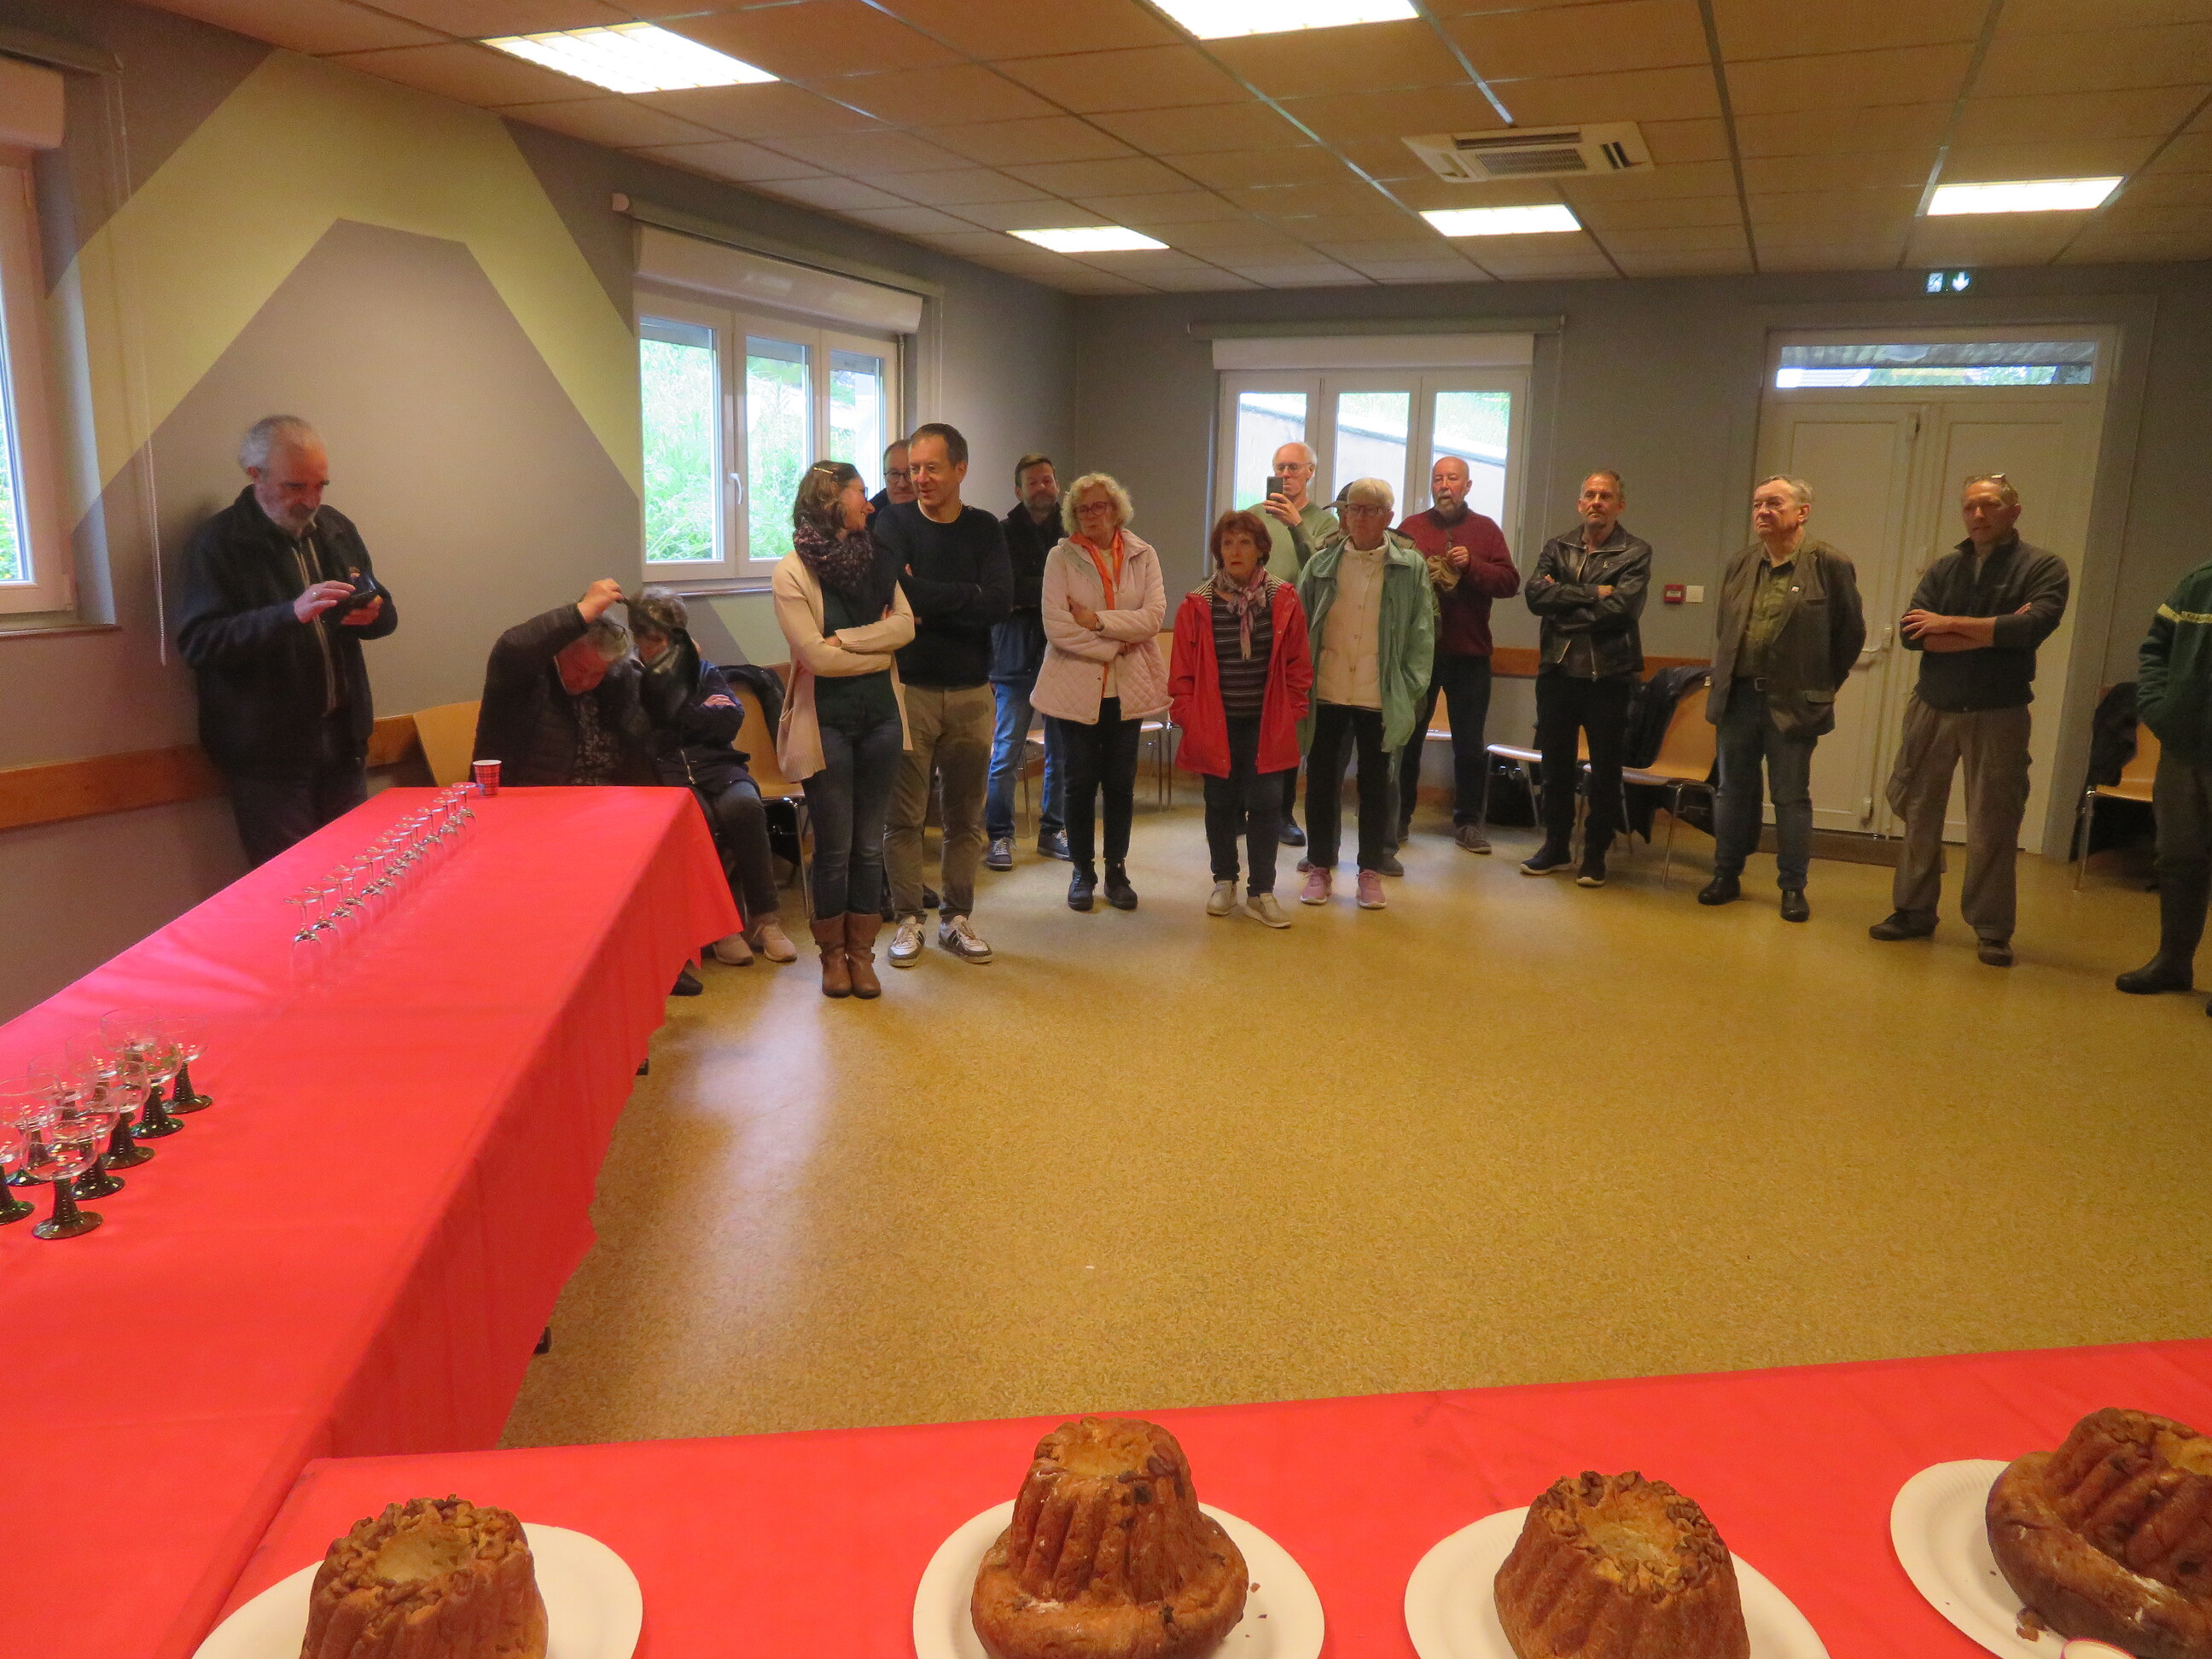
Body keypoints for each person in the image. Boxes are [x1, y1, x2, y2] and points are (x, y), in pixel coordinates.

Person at [178, 416, 399, 866]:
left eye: (321, 486)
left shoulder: (336, 528)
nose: (311, 501)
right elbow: (200, 643)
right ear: (254, 475)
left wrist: (375, 614)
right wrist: (289, 614)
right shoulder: (219, 542)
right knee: (293, 889)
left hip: (344, 741)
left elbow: (383, 612)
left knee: (361, 877)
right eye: (296, 487)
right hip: (268, 756)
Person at [1871, 474, 2070, 966]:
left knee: (1993, 822)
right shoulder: (1945, 569)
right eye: (1969, 507)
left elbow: (2032, 628)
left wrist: (1948, 624)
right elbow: (1912, 636)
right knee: (1918, 811)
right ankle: (1913, 911)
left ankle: (1992, 929)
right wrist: (1994, 631)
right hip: (1933, 706)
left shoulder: (2042, 567)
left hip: (1999, 711)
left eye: (1989, 505)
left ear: (2013, 511)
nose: (1978, 515)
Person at [873, 422, 1013, 968]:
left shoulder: (984, 528)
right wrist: (966, 595)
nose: (920, 478)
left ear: (960, 469)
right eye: (913, 469)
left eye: (931, 468)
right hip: (911, 689)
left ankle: (957, 919)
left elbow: (999, 602)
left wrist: (930, 602)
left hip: (974, 691)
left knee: (964, 820)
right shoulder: (894, 521)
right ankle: (909, 921)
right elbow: (896, 592)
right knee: (904, 819)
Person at [773, 461, 915, 998]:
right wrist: (872, 651)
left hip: (881, 719)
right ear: (831, 497)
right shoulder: (791, 571)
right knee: (834, 848)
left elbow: (904, 627)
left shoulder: (878, 557)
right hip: (825, 724)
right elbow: (815, 659)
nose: (870, 505)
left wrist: (847, 642)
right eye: (860, 493)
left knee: (869, 846)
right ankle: (832, 956)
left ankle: (862, 954)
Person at [1697, 477, 1866, 923]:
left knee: (1791, 797)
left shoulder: (1829, 564)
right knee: (1732, 792)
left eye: (1774, 503)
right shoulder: (1741, 563)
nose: (1762, 511)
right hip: (1737, 699)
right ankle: (1725, 875)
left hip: (1792, 703)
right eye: (1757, 504)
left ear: (1802, 512)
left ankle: (1793, 886)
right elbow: (1726, 628)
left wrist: (1820, 685)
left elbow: (1850, 634)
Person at [630, 586, 797, 969]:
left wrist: (683, 717)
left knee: (746, 806)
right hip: (666, 771)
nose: (665, 648)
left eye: (672, 640)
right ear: (639, 639)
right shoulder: (631, 676)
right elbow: (648, 732)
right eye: (655, 640)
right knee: (698, 819)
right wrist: (697, 712)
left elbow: (729, 719)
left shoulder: (701, 670)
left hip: (719, 765)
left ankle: (764, 920)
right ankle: (719, 926)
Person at [1294, 478, 1435, 911]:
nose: (1358, 517)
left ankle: (1370, 871)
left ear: (1388, 517)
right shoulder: (1321, 564)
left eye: (1370, 510)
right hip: (1328, 690)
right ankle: (1320, 867)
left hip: (1380, 693)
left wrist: (1409, 689)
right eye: (1352, 509)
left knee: (1377, 786)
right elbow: (1299, 624)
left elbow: (1422, 635)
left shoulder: (1410, 567)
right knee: (1321, 782)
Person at [1170, 509, 1313, 928]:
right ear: (1218, 551)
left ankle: (1261, 891)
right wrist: (1190, 717)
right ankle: (1224, 881)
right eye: (1227, 543)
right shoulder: (1198, 603)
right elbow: (1182, 673)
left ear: (1261, 549)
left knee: (1267, 804)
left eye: (1245, 543)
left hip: (1267, 723)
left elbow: (1299, 667)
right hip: (1216, 723)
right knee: (1220, 803)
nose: (1235, 551)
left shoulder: (1284, 598)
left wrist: (1291, 711)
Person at [1033, 474, 1168, 912]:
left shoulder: (1143, 554)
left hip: (1128, 690)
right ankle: (1082, 872)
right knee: (1078, 784)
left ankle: (1116, 871)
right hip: (1075, 689)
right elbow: (1057, 627)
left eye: (1100, 506)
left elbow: (1153, 618)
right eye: (1083, 508)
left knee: (1120, 784)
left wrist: (1095, 621)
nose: (1092, 514)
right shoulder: (1060, 557)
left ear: (1116, 510)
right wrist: (1115, 641)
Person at [1522, 471, 1651, 888]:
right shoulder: (1557, 546)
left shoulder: (1635, 551)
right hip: (1557, 672)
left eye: (1605, 496)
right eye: (1590, 495)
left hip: (1609, 676)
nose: (1597, 502)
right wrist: (1595, 593)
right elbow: (1535, 596)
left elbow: (1622, 610)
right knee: (1555, 767)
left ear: (1619, 506)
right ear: (1580, 503)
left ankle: (1595, 855)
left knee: (1606, 770)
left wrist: (1563, 605)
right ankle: (1556, 847)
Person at [1394, 454, 1520, 856]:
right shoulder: (1411, 528)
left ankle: (1467, 823)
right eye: (1438, 479)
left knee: (1468, 745)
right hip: (1419, 654)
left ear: (1467, 486)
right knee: (1408, 739)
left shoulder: (1486, 530)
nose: (1444, 486)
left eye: (1452, 479)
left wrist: (1472, 566)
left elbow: (1510, 583)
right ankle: (1398, 819)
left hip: (1470, 654)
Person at [2118, 552, 2212, 1010]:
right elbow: (2156, 648)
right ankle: (2173, 964)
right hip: (2183, 748)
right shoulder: (2199, 583)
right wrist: (2159, 709)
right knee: (2178, 857)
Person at [472, 579, 656, 789]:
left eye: (597, 674)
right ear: (560, 649)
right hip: (534, 799)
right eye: (580, 668)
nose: (586, 681)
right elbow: (511, 648)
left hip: (609, 799)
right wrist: (581, 611)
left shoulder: (619, 680)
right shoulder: (525, 675)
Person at [986, 452, 1069, 870]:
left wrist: (1033, 593)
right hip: (1013, 656)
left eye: (1048, 480)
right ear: (1019, 490)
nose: (1042, 487)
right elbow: (1004, 591)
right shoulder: (1001, 534)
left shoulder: (1071, 534)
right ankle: (999, 835)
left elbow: (1078, 590)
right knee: (1006, 752)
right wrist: (1052, 593)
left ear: (1057, 486)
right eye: (1033, 482)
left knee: (1061, 753)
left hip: (1061, 656)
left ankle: (1053, 830)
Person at [1254, 442, 1338, 849]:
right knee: (1247, 722)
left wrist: (1295, 524)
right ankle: (1242, 807)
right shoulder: (1254, 516)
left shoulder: (1325, 523)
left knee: (1285, 727)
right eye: (1280, 468)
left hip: (1295, 635)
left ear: (1310, 472)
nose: (1285, 475)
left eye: (1293, 468)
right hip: (1251, 631)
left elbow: (1322, 569)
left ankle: (1282, 813)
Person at [865, 440, 915, 520]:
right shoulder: (869, 516)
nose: (902, 484)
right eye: (894, 474)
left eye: (909, 474)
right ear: (884, 477)